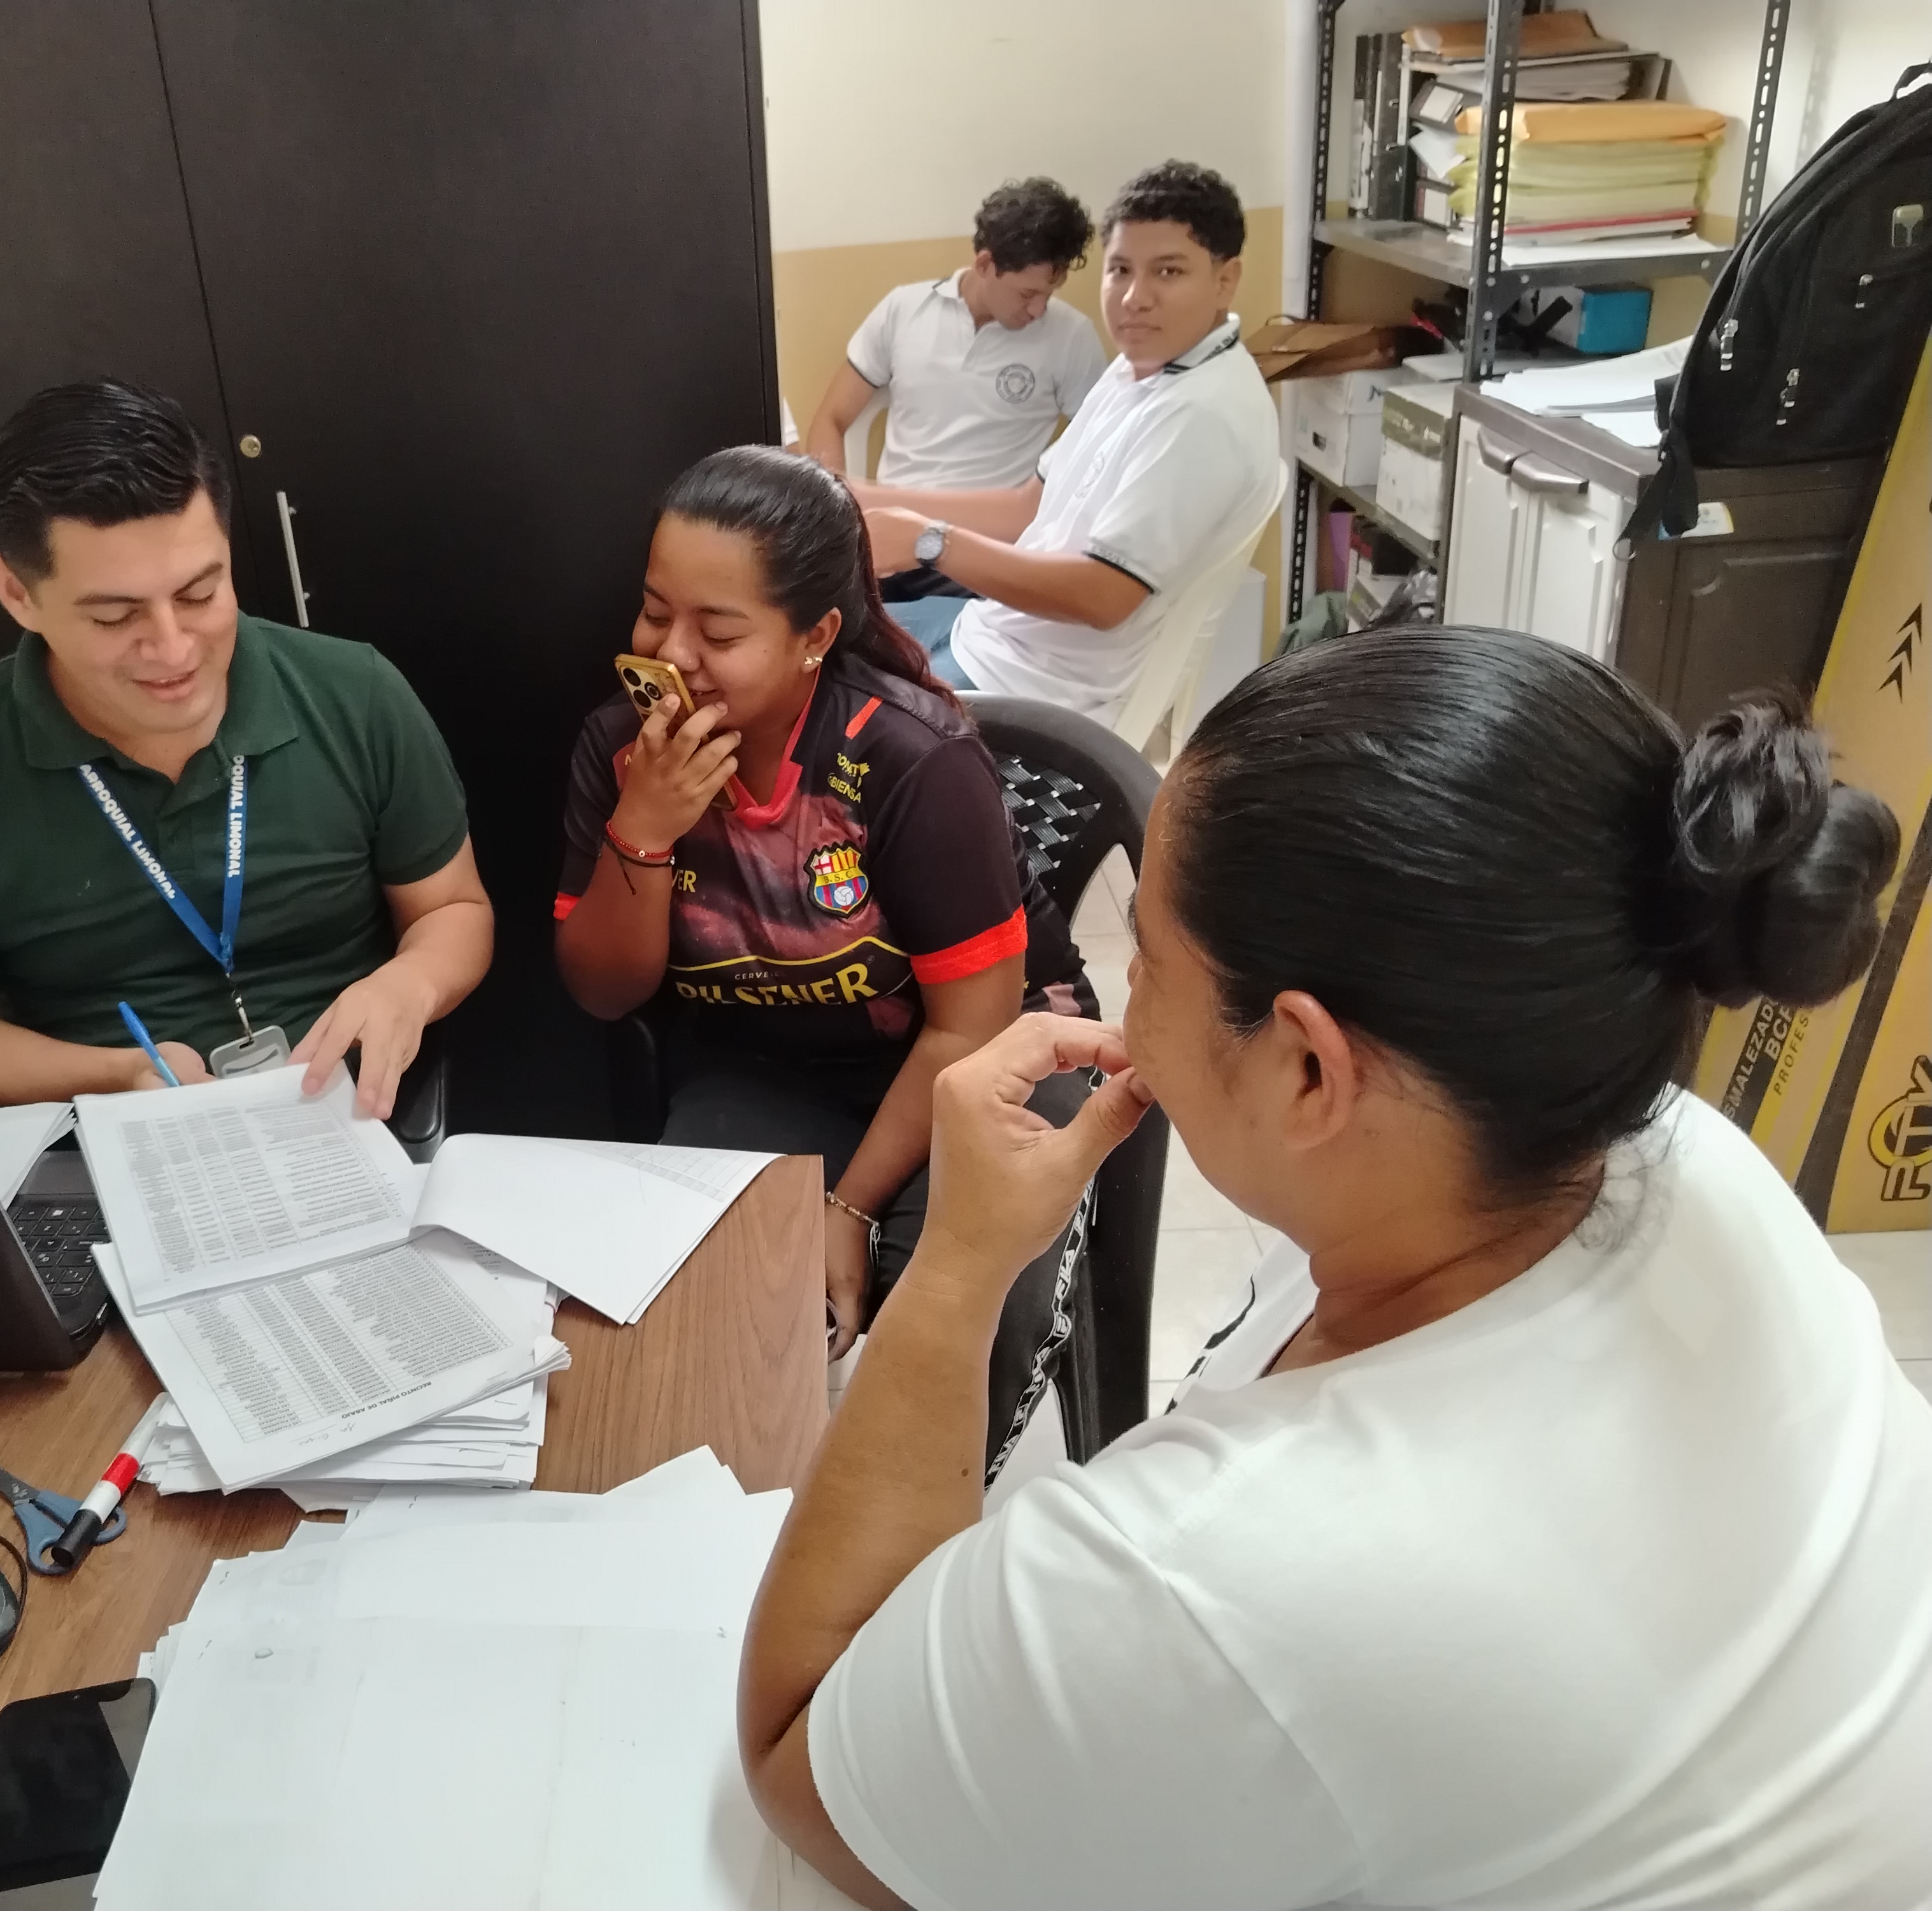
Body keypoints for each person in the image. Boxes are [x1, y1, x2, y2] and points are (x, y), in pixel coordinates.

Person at [739, 629, 1929, 1908]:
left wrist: (959, 1266)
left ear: (1308, 1068)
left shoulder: (1211, 1576)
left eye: (1148, 959)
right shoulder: (1688, 1160)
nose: (1128, 1004)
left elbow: (804, 1752)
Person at [553, 445, 1096, 1475]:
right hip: (772, 1061)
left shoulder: (909, 760)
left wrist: (851, 1205)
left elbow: (970, 1031)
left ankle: (924, 1527)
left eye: (719, 632)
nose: (672, 654)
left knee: (961, 1311)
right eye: (655, 613)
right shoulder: (624, 749)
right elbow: (604, 991)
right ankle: (743, 1520)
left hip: (988, 1058)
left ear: (815, 637)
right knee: (707, 1305)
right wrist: (644, 830)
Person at [0, 379, 492, 1115]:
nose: (173, 650)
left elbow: (452, 908)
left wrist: (410, 983)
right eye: (114, 616)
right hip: (100, 1126)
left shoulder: (355, 693)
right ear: (16, 594)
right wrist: (123, 1075)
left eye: (199, 594)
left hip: (350, 1109)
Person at [859, 160, 1282, 728]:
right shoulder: (1139, 366)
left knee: (812, 695)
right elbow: (1026, 507)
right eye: (1121, 270)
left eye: (1168, 271)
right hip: (990, 631)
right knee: (813, 637)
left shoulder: (1202, 413)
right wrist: (867, 497)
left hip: (1030, 689)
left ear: (1225, 279)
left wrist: (928, 541)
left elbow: (1103, 597)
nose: (1134, 298)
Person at [805, 177, 1103, 602]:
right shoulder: (904, 309)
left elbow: (1097, 453)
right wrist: (835, 502)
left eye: (1049, 294)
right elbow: (833, 417)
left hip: (983, 551)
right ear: (985, 264)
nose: (1038, 310)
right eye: (1027, 293)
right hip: (887, 533)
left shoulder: (1072, 337)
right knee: (809, 612)